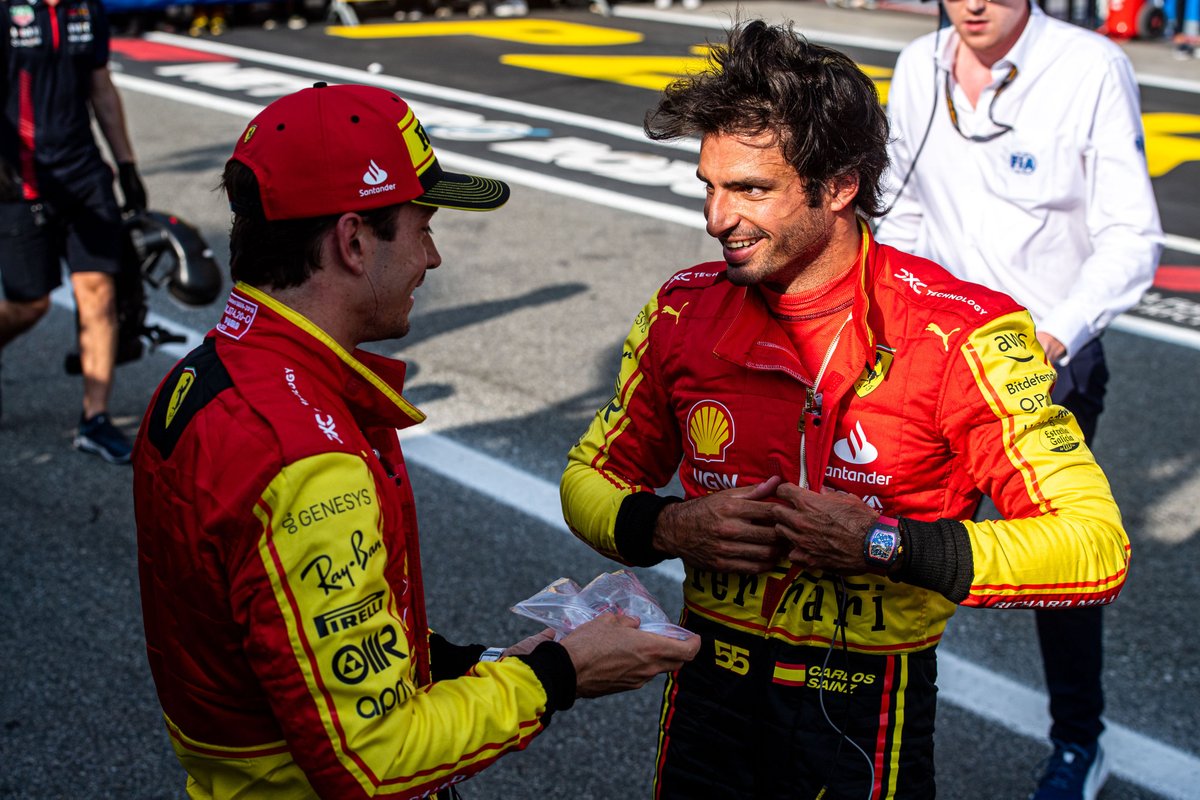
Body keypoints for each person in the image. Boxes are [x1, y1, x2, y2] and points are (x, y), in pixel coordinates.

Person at [560, 20, 1132, 799]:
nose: (716, 218)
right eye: (709, 185)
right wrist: (665, 527)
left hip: (868, 712)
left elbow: (1095, 548)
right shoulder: (680, 311)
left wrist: (885, 545)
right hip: (707, 696)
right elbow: (587, 479)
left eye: (751, 189)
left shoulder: (963, 335)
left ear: (838, 187)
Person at [132, 83, 699, 798]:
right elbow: (378, 759)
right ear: (353, 240)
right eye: (422, 225)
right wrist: (559, 675)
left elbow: (283, 639)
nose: (432, 257)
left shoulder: (209, 371)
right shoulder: (305, 454)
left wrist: (486, 662)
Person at [874, 0, 1161, 796]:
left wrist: (1052, 336)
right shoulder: (917, 65)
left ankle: (1079, 742)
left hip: (1048, 363)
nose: (973, 4)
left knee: (1057, 569)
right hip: (939, 357)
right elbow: (902, 208)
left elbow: (1132, 237)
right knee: (901, 546)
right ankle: (875, 718)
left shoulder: (1091, 67)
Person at [0, 0, 146, 461]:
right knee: (29, 304)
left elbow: (101, 87)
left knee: (98, 292)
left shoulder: (87, 9)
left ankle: (94, 418)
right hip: (20, 181)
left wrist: (126, 164)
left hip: (84, 175)